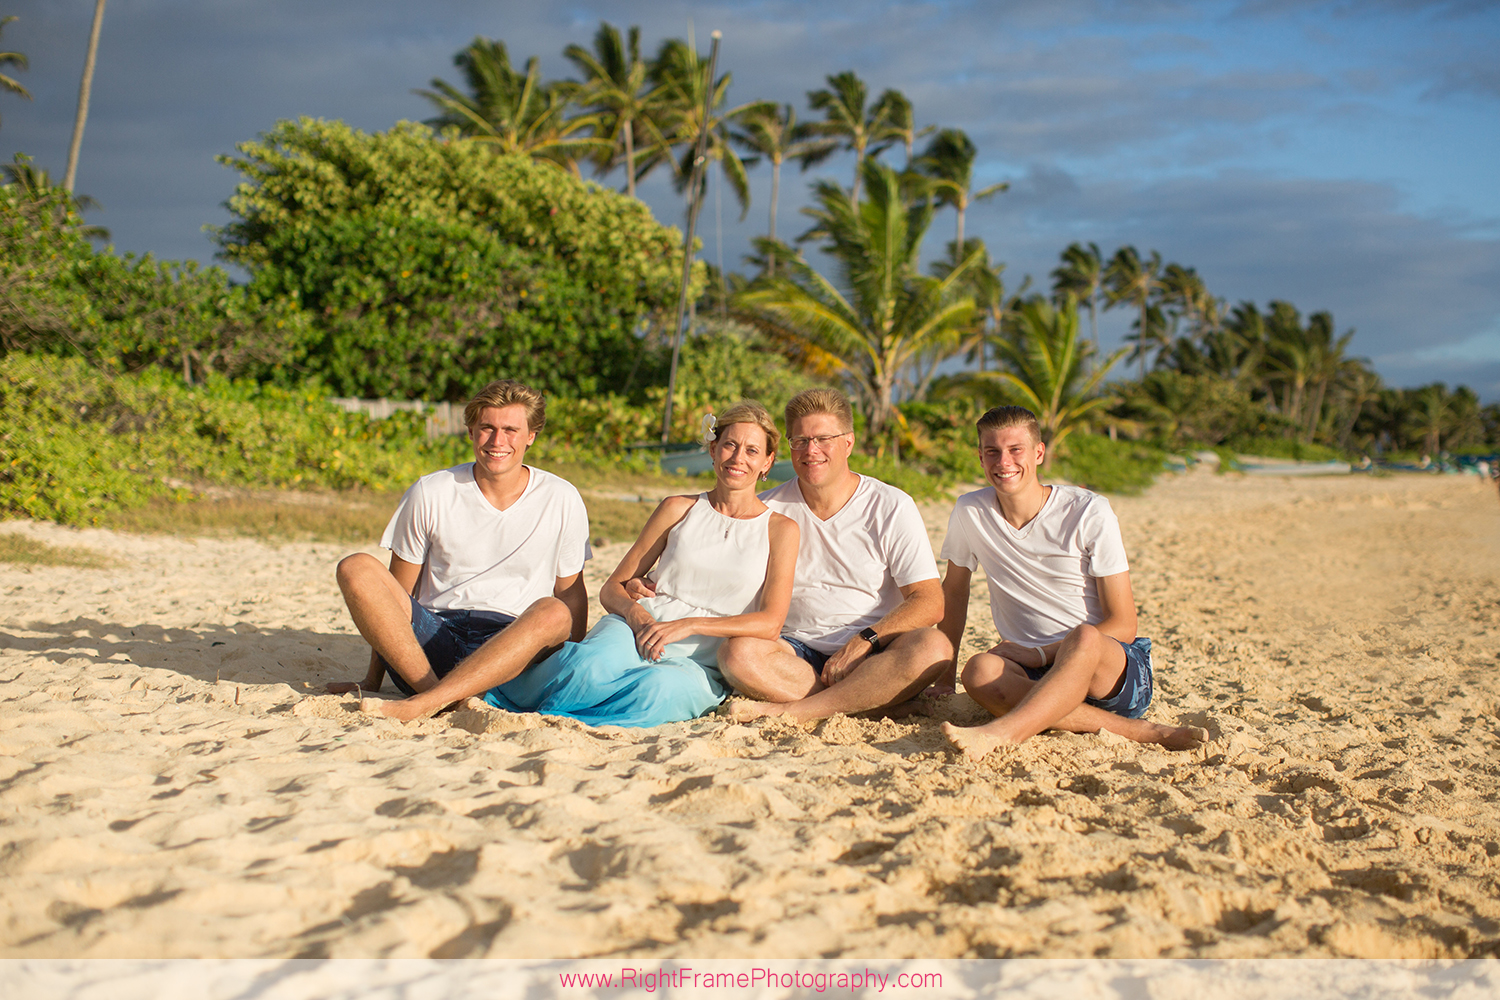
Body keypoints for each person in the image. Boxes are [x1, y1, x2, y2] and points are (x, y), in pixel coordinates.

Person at [481, 401, 799, 727]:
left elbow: (770, 623)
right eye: (730, 445)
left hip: (702, 658)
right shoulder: (677, 508)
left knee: (657, 692)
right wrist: (637, 616)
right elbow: (612, 588)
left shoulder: (781, 530)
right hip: (639, 629)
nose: (738, 458)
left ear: (767, 461)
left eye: (751, 450)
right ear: (713, 449)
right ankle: (506, 695)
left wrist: (690, 624)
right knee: (586, 669)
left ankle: (566, 720)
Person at [936, 405, 1210, 760]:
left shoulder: (1088, 511)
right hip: (1033, 673)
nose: (1003, 461)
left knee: (1083, 637)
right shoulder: (969, 511)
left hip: (1106, 668)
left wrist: (1040, 652)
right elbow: (955, 592)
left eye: (1016, 449)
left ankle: (1003, 733)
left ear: (1039, 452)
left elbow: (1124, 624)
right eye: (992, 451)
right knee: (978, 671)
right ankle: (1138, 732)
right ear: (980, 456)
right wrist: (944, 679)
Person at [331, 379, 591, 723]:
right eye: (487, 428)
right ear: (470, 432)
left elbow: (571, 595)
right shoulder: (431, 491)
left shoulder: (561, 497)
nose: (497, 441)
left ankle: (429, 702)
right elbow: (395, 595)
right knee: (356, 567)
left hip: (512, 650)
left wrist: (574, 670)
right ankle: (436, 696)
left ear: (531, 435)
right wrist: (372, 681)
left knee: (555, 611)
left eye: (510, 430)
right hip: (433, 644)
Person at [703, 388, 952, 723]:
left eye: (823, 439)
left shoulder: (891, 505)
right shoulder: (768, 509)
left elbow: (929, 601)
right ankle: (872, 703)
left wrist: (867, 639)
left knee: (933, 648)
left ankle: (797, 710)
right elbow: (719, 570)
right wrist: (648, 584)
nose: (811, 450)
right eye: (800, 441)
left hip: (875, 651)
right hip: (795, 653)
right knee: (736, 654)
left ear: (848, 443)